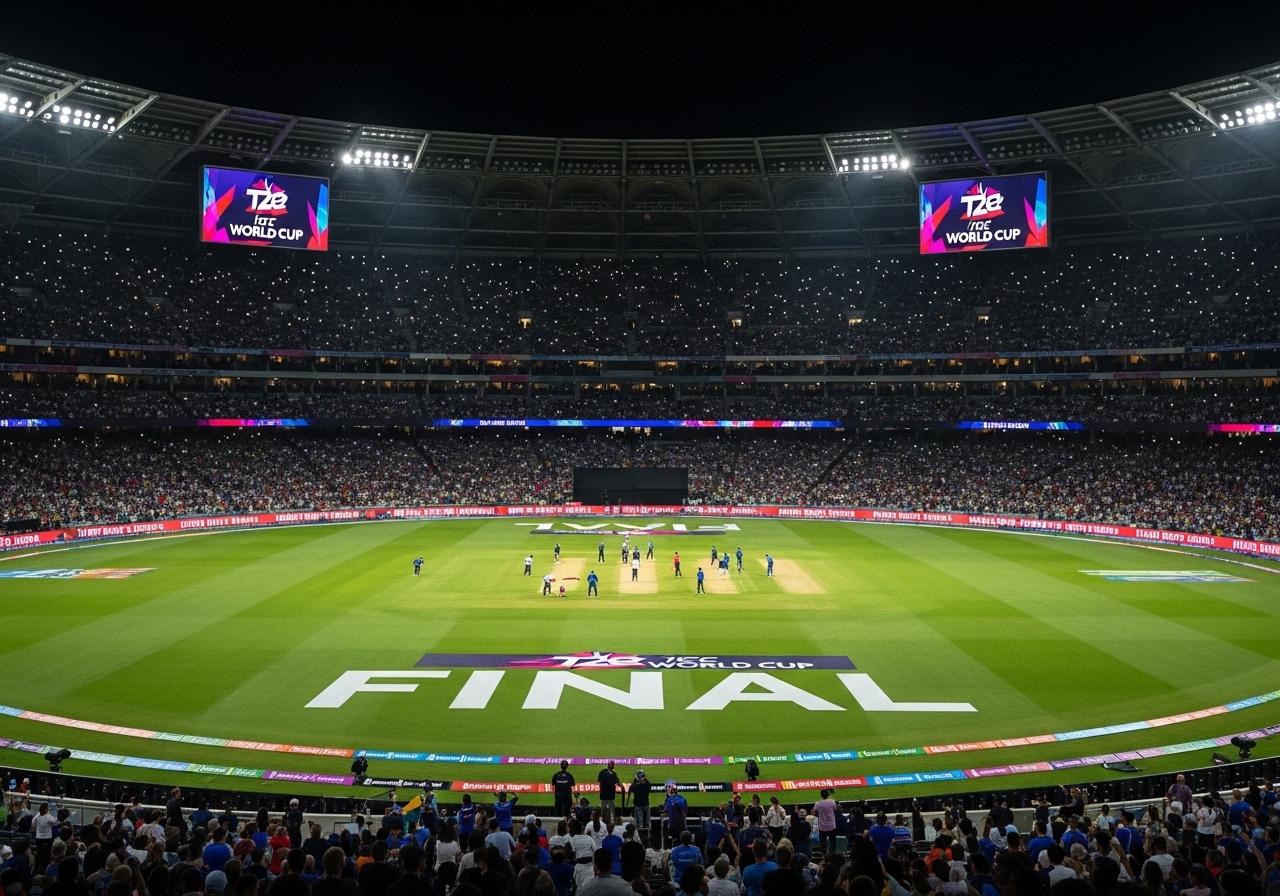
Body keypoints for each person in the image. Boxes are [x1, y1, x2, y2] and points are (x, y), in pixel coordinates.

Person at [812, 790, 838, 855]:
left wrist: (819, 815)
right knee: (833, 843)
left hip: (822, 827)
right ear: (828, 795)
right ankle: (833, 856)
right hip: (831, 826)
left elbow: (813, 812)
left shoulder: (818, 803)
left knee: (823, 844)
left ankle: (824, 857)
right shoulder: (832, 802)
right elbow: (835, 809)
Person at [630, 771, 652, 846]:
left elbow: (631, 788)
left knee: (638, 824)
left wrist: (635, 781)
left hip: (638, 805)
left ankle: (638, 840)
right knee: (647, 823)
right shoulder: (646, 785)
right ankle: (647, 839)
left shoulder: (635, 786)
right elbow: (649, 786)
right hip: (645, 804)